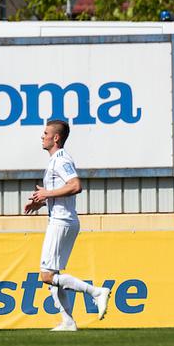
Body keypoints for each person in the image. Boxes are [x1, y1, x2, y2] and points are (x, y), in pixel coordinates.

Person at [24, 119, 110, 331]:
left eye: (45, 133)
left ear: (56, 137)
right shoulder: (55, 160)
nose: (42, 137)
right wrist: (42, 201)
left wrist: (46, 193)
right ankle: (68, 322)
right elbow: (63, 190)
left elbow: (75, 185)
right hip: (61, 220)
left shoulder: (61, 160)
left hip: (62, 222)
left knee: (47, 275)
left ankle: (96, 292)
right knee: (53, 275)